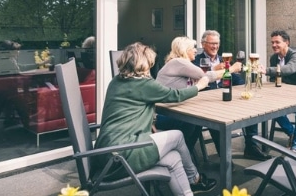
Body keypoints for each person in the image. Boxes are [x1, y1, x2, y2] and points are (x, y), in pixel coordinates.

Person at [93, 42, 216, 196]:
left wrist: (150, 122)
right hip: (122, 155)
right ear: (144, 63)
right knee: (177, 136)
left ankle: (189, 190)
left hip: (106, 152)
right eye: (150, 63)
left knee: (173, 158)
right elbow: (175, 95)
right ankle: (195, 178)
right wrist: (199, 85)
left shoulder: (116, 82)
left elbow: (132, 107)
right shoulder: (143, 84)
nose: (151, 66)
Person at [196, 30, 265, 161]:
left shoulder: (224, 59)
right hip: (207, 101)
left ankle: (251, 147)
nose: (215, 46)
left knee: (251, 109)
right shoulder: (197, 61)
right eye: (212, 43)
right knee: (217, 118)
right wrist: (215, 70)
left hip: (226, 98)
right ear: (203, 44)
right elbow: (197, 78)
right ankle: (225, 158)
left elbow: (237, 80)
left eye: (217, 43)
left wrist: (247, 88)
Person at [156, 36, 219, 159]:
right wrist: (230, 69)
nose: (196, 50)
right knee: (194, 121)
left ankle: (185, 158)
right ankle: (182, 158)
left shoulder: (181, 64)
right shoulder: (178, 62)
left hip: (175, 111)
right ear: (184, 50)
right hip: (164, 115)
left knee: (198, 121)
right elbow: (205, 76)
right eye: (193, 48)